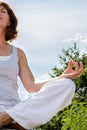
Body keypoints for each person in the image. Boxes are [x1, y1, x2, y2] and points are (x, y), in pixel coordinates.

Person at [0, 1, 83, 130]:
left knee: (67, 85)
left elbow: (31, 87)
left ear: (9, 22)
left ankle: (8, 118)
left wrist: (62, 76)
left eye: (2, 11)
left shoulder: (18, 53)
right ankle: (13, 121)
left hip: (13, 109)